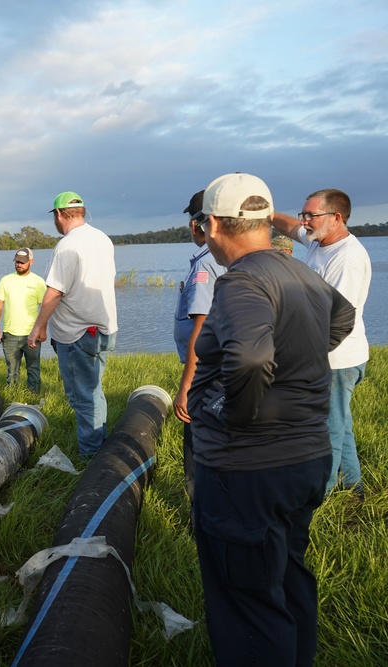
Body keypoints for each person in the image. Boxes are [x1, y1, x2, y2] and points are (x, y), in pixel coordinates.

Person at [188, 173, 355, 666]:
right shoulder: (301, 271)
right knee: (287, 576)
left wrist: (236, 416)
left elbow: (250, 359)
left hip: (247, 470)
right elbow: (342, 318)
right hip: (305, 460)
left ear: (214, 224)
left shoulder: (241, 280)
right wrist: (299, 360)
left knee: (247, 603)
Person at [272, 189, 371, 497]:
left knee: (328, 429)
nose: (304, 221)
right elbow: (289, 227)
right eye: (304, 214)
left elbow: (337, 321)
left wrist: (300, 358)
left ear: (336, 218)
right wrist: (265, 214)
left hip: (337, 358)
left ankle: (320, 495)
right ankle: (355, 488)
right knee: (340, 423)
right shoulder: (320, 240)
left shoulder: (347, 259)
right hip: (326, 356)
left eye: (310, 215)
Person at [27, 192, 117, 457]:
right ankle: (100, 443)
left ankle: (91, 456)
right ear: (81, 212)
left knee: (83, 397)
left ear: (58, 215)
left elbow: (54, 292)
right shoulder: (102, 238)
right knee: (94, 391)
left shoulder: (67, 246)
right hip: (103, 330)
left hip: (78, 334)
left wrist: (38, 327)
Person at [172, 190, 226, 504]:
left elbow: (201, 327)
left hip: (208, 375)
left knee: (199, 447)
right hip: (224, 370)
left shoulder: (206, 265)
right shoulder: (222, 259)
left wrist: (187, 386)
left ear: (197, 225)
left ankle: (201, 515)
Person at [0, 248, 46, 393]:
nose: (19, 265)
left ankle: (33, 395)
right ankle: (12, 395)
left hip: (32, 335)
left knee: (33, 368)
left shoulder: (38, 282)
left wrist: (43, 330)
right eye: (17, 262)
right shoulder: (6, 280)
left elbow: (45, 308)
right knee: (12, 370)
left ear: (31, 262)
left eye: (22, 262)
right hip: (10, 334)